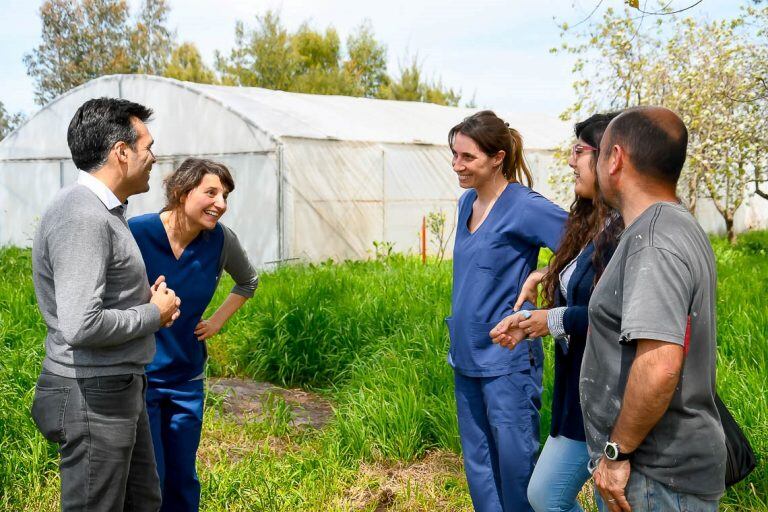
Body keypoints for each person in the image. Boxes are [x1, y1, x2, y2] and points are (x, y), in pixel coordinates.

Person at [30, 97, 180, 511]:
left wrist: (142, 300)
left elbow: (92, 301)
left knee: (142, 501)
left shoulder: (104, 212)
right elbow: (80, 324)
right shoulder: (83, 217)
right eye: (147, 146)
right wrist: (154, 313)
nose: (153, 156)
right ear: (121, 152)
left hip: (115, 386)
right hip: (93, 394)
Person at [579, 107, 726, 512]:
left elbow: (660, 363)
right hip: (663, 475)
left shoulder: (652, 240)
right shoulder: (677, 224)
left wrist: (616, 453)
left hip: (655, 477)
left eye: (598, 152)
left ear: (616, 159)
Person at [491, 113, 623, 512]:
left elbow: (615, 317)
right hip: (576, 398)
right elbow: (589, 288)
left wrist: (548, 321)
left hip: (611, 401)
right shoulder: (597, 224)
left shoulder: (631, 231)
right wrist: (546, 277)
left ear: (609, 159)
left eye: (579, 150)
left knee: (600, 501)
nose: (570, 161)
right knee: (545, 495)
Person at [446, 110, 567, 512]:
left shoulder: (524, 206)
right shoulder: (467, 202)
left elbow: (588, 246)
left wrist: (543, 274)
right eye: (455, 155)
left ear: (497, 157)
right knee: (479, 469)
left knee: (516, 474)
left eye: (467, 157)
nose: (457, 165)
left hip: (508, 361)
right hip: (466, 356)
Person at [129, 158, 258, 511]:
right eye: (212, 192)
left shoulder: (220, 242)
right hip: (141, 378)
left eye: (226, 195)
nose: (221, 203)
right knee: (150, 476)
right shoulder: (136, 232)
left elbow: (248, 281)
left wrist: (215, 321)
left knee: (183, 475)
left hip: (187, 377)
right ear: (182, 192)